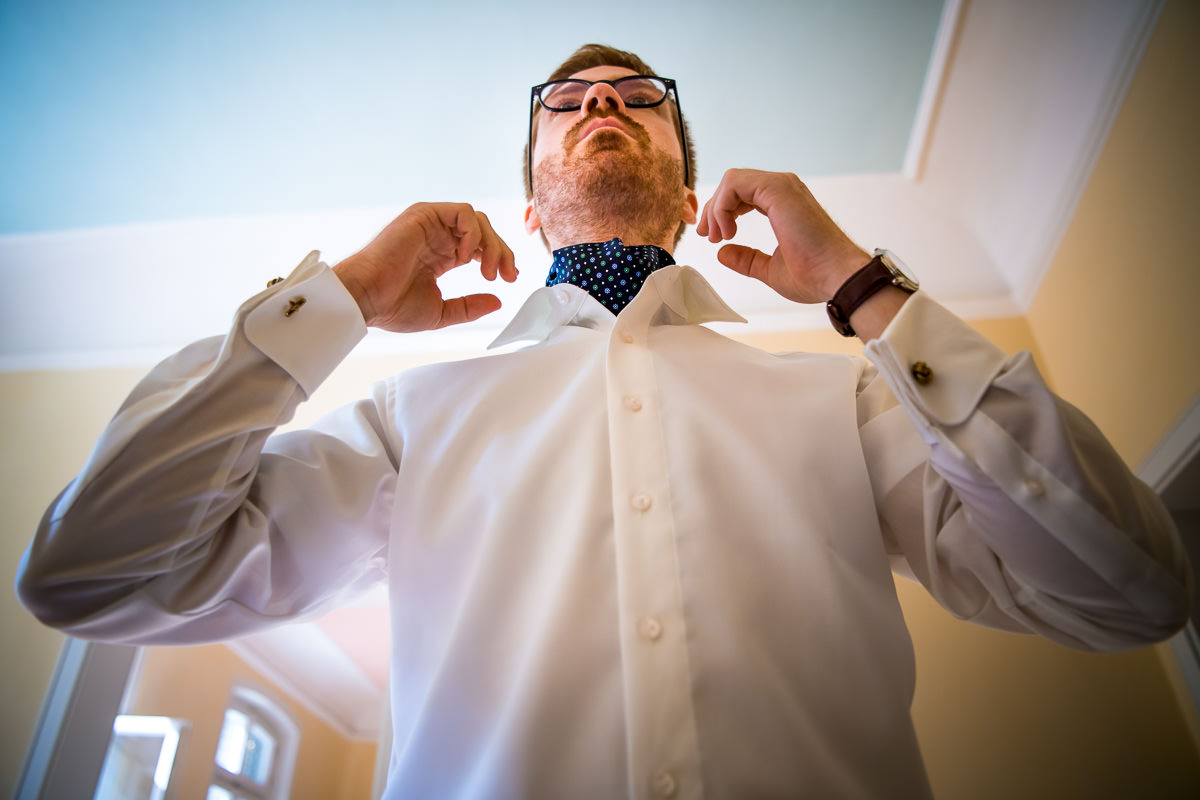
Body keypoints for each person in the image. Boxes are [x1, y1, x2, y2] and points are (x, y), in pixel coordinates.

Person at [17, 44, 1191, 799]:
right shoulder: (408, 421)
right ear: (532, 206)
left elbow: (1131, 589)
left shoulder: (849, 399)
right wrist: (343, 303)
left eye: (638, 100)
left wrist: (865, 287)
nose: (605, 108)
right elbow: (91, 574)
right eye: (570, 104)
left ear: (688, 195)